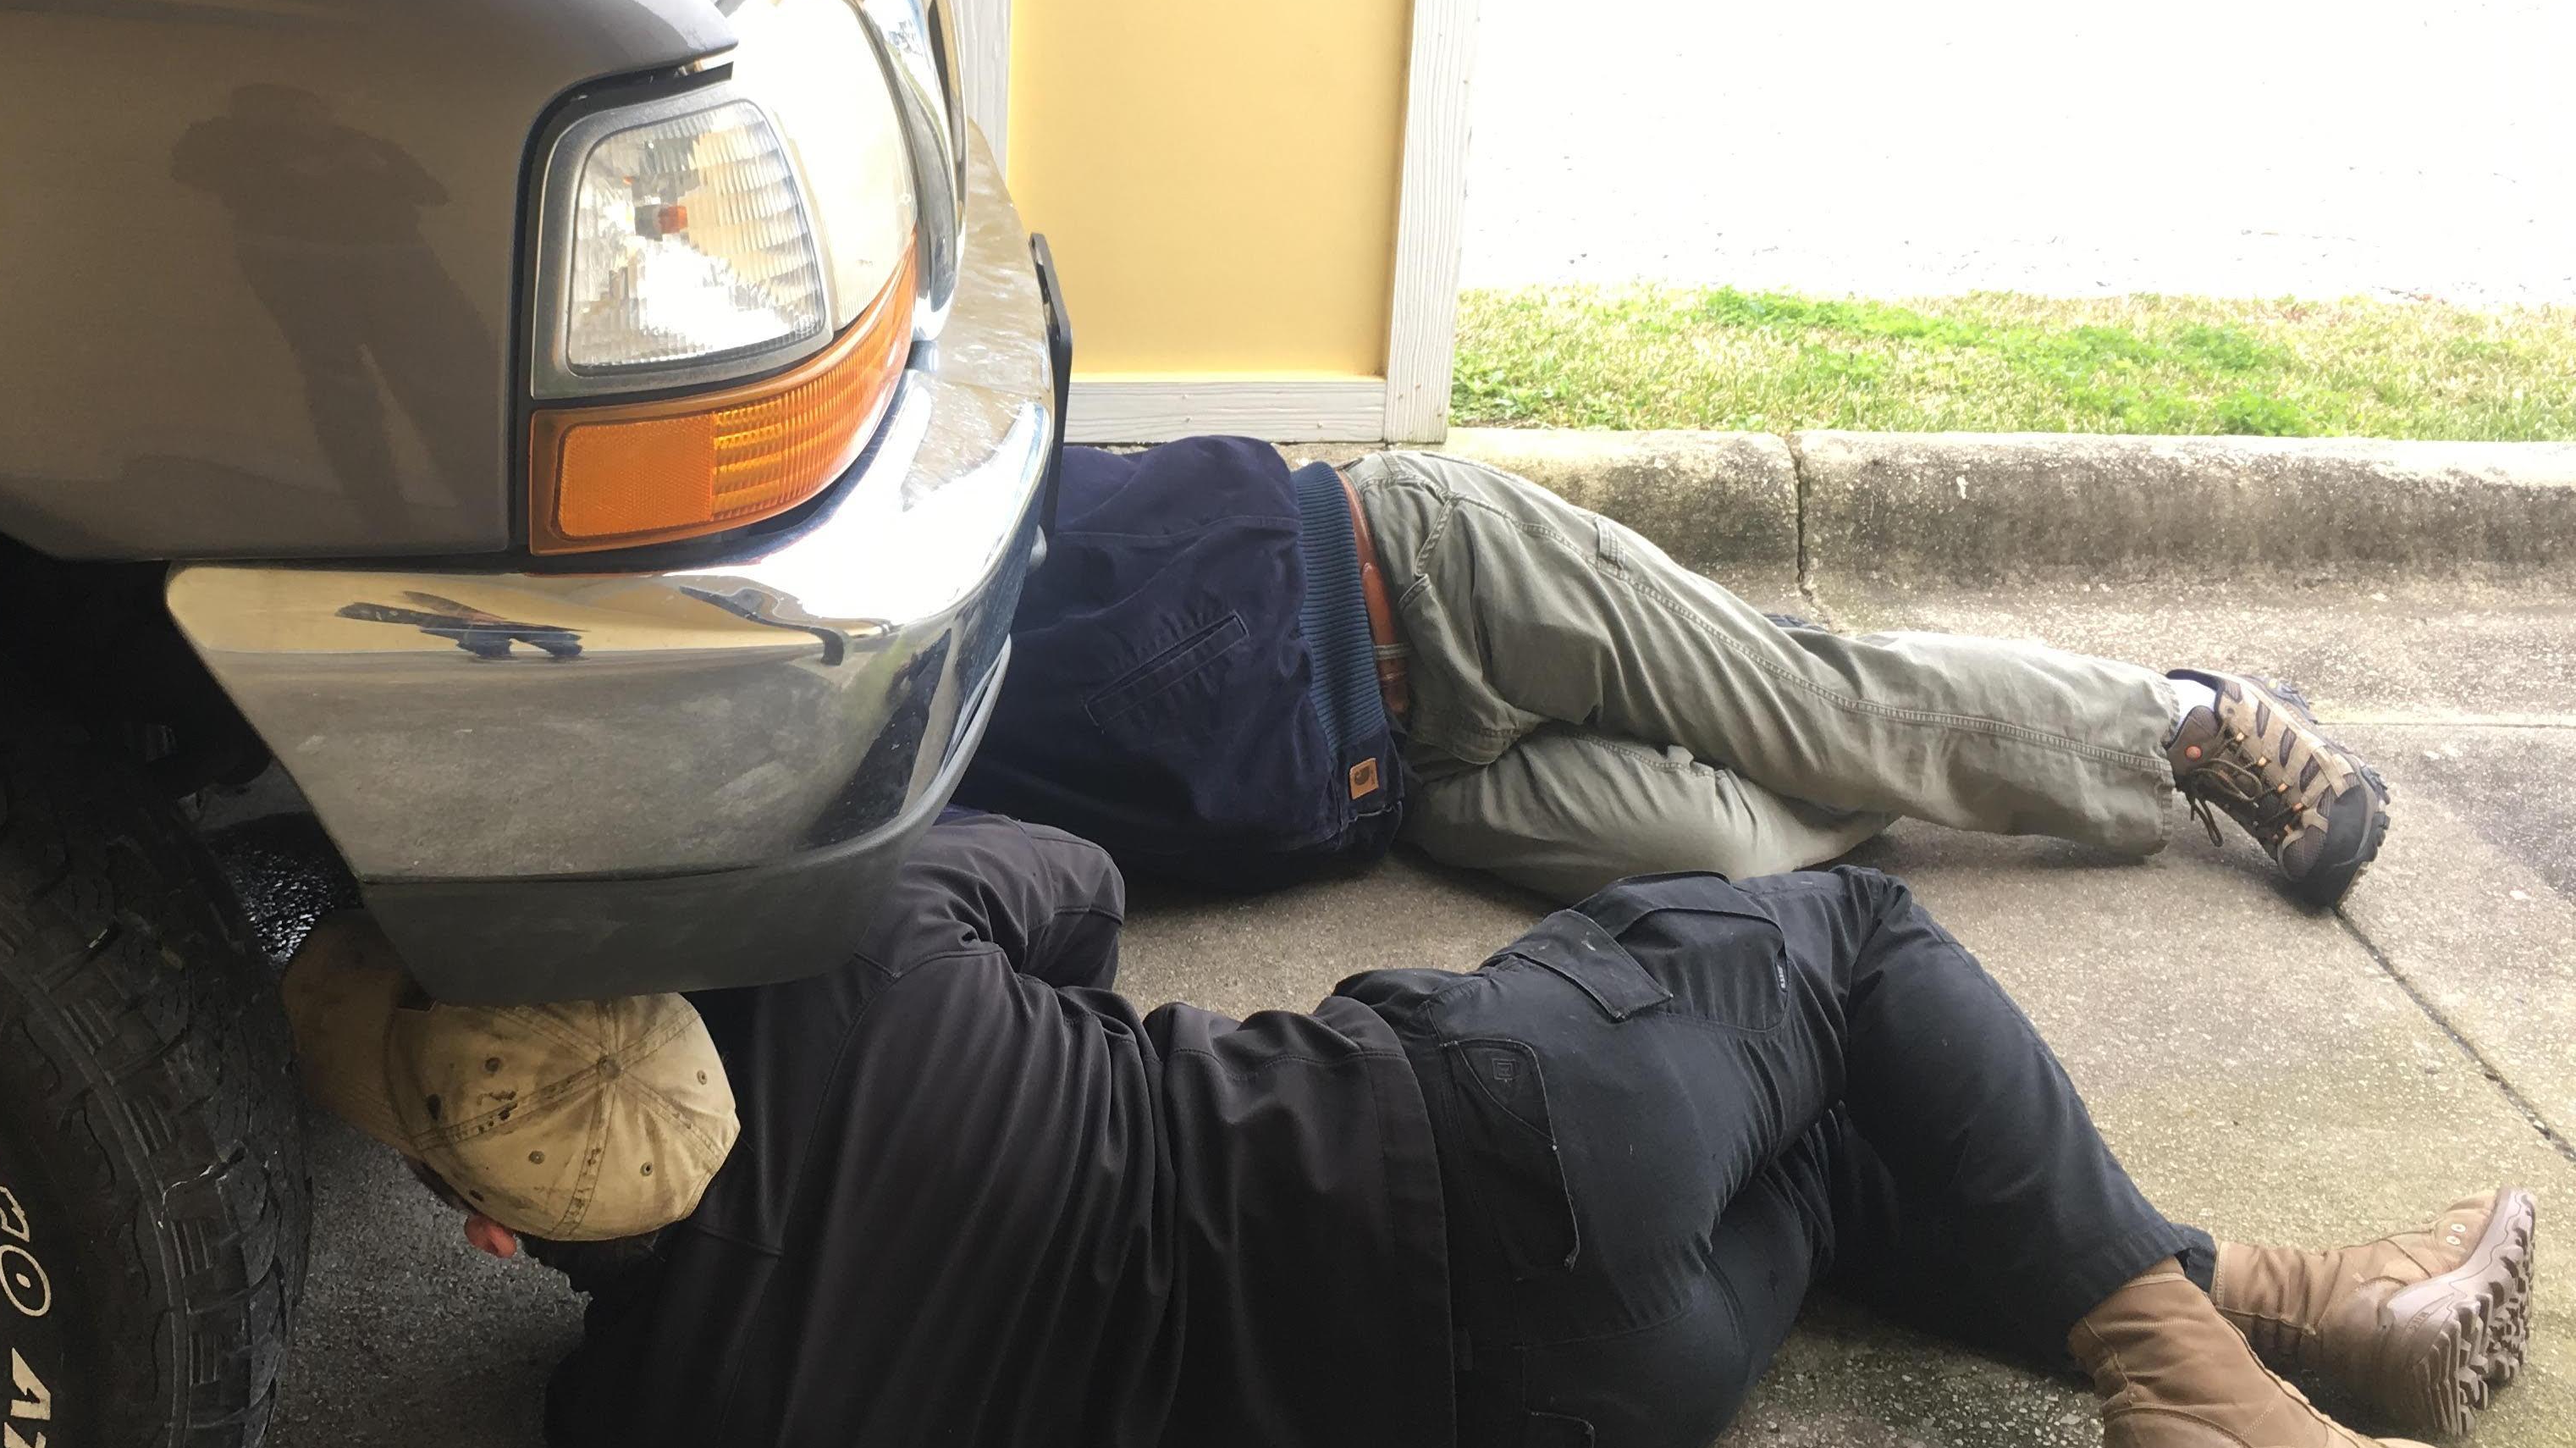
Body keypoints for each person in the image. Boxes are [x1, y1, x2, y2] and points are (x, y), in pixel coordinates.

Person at [279, 812, 2532, 1448]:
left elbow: (638, 1315)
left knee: (1832, 1168)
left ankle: (2294, 1306)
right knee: (1844, 950)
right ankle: (2192, 1372)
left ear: (481, 1224)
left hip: (1552, 1447)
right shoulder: (858, 968)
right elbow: (1074, 890)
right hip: (1479, 1150)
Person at [958, 437, 2391, 908]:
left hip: (1436, 577)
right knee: (1731, 849)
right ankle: (1825, 705)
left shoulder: (948, 530)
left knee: (1831, 718)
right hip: (1403, 788)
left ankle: (2191, 729)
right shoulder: (891, 804)